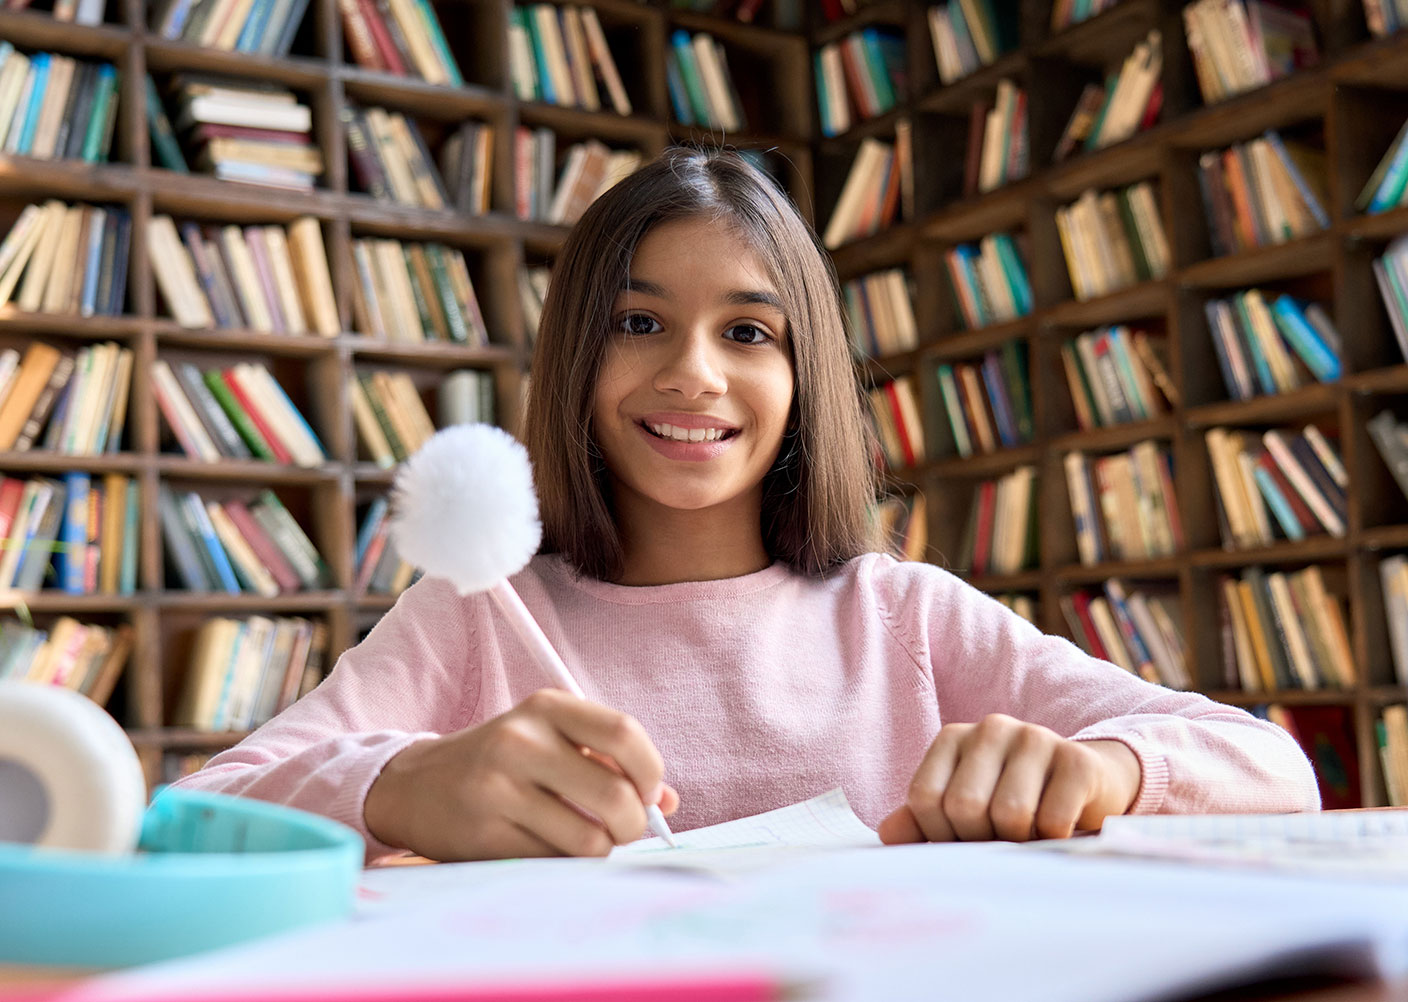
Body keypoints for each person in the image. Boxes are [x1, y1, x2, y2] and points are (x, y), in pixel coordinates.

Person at [171, 147, 1319, 863]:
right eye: (638, 323)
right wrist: (400, 789)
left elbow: (1270, 773)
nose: (695, 375)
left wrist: (1108, 772)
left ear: (804, 374)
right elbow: (192, 818)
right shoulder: (472, 613)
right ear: (576, 353)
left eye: (750, 333)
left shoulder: (905, 616)